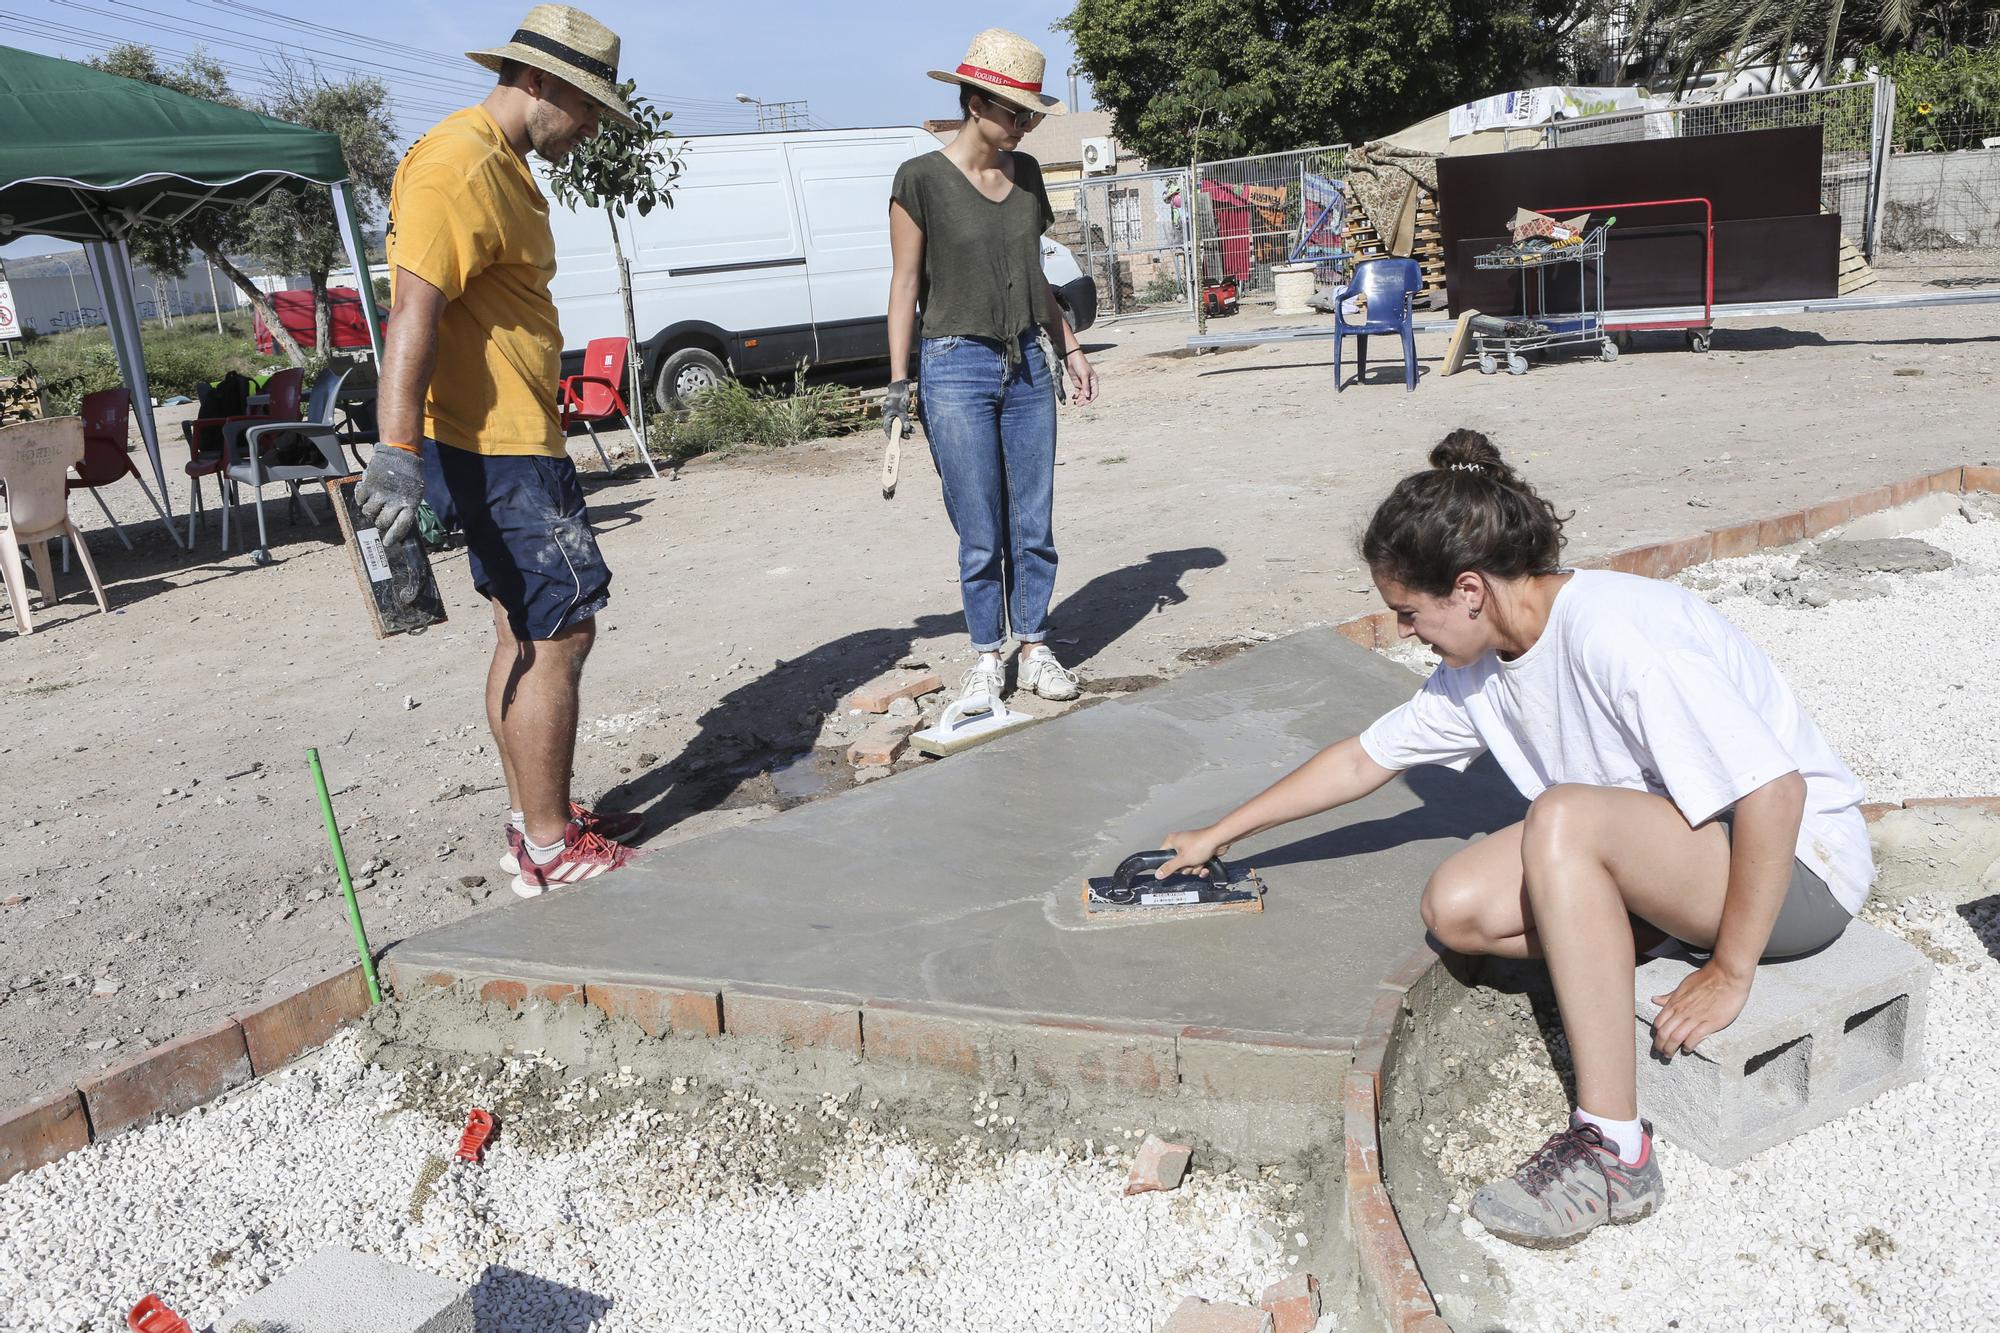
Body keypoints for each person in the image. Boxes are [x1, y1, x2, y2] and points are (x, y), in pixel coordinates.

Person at [1158, 430, 1874, 1248]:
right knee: (1457, 905)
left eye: (1408, 614)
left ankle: (1615, 1150)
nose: (1406, 633)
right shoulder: (1481, 665)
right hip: (1688, 858)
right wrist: (1219, 834)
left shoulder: (1618, 632)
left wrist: (1730, 968)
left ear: (1467, 589)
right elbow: (1362, 760)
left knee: (1561, 818)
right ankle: (1615, 934)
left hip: (1797, 875)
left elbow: (1775, 795)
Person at [355, 4, 643, 898]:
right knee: (564, 629)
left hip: (512, 434)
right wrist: (396, 448)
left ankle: (534, 823)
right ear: (541, 83)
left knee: (523, 627)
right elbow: (413, 311)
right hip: (495, 445)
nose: (592, 126)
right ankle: (552, 848)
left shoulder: (502, 165)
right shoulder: (457, 164)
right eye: (588, 106)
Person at [884, 28, 1100, 719]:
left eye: (1031, 114)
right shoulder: (919, 180)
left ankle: (1034, 646)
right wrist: (898, 384)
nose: (1025, 124)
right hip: (954, 368)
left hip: (1028, 365)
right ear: (975, 102)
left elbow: (1034, 275)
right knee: (980, 526)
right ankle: (986, 655)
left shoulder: (1029, 173)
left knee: (1032, 520)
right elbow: (904, 283)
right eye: (1015, 112)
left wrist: (1067, 344)